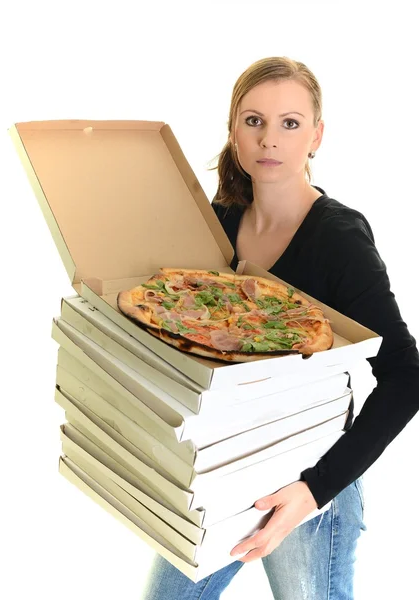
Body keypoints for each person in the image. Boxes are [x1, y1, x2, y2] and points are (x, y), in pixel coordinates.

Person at [141, 56, 419, 599]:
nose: (270, 138)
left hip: (306, 481)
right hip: (224, 469)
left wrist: (314, 491)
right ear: (233, 133)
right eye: (254, 121)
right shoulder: (219, 218)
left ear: (316, 136)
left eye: (290, 123)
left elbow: (407, 377)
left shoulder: (339, 239)